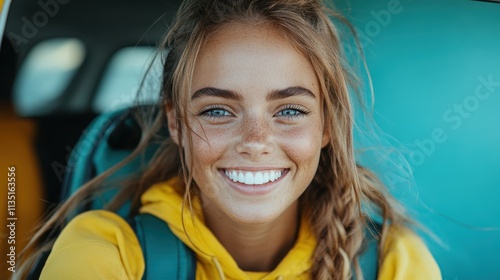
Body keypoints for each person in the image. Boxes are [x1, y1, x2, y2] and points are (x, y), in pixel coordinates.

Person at [17, 0, 441, 279]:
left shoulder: (391, 261)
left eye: (290, 111)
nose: (255, 141)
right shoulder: (106, 250)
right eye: (218, 111)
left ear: (327, 125)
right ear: (178, 124)